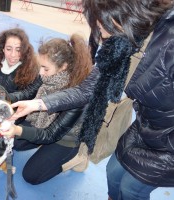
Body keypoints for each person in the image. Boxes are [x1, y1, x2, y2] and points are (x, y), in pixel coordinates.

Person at [9, 0, 174, 199]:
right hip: (146, 124)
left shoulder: (168, 45)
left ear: (122, 14)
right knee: (113, 173)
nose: (100, 34)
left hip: (169, 141)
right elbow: (86, 90)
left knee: (131, 188)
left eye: (101, 25)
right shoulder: (123, 41)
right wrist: (36, 104)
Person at [1, 34, 93, 185]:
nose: (40, 73)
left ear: (63, 66)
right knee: (15, 142)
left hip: (65, 138)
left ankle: (77, 157)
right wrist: (3, 97)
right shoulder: (48, 76)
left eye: (45, 68)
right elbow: (28, 92)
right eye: (40, 67)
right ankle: (43, 147)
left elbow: (51, 134)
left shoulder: (76, 94)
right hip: (46, 126)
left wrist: (18, 130)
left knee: (32, 176)